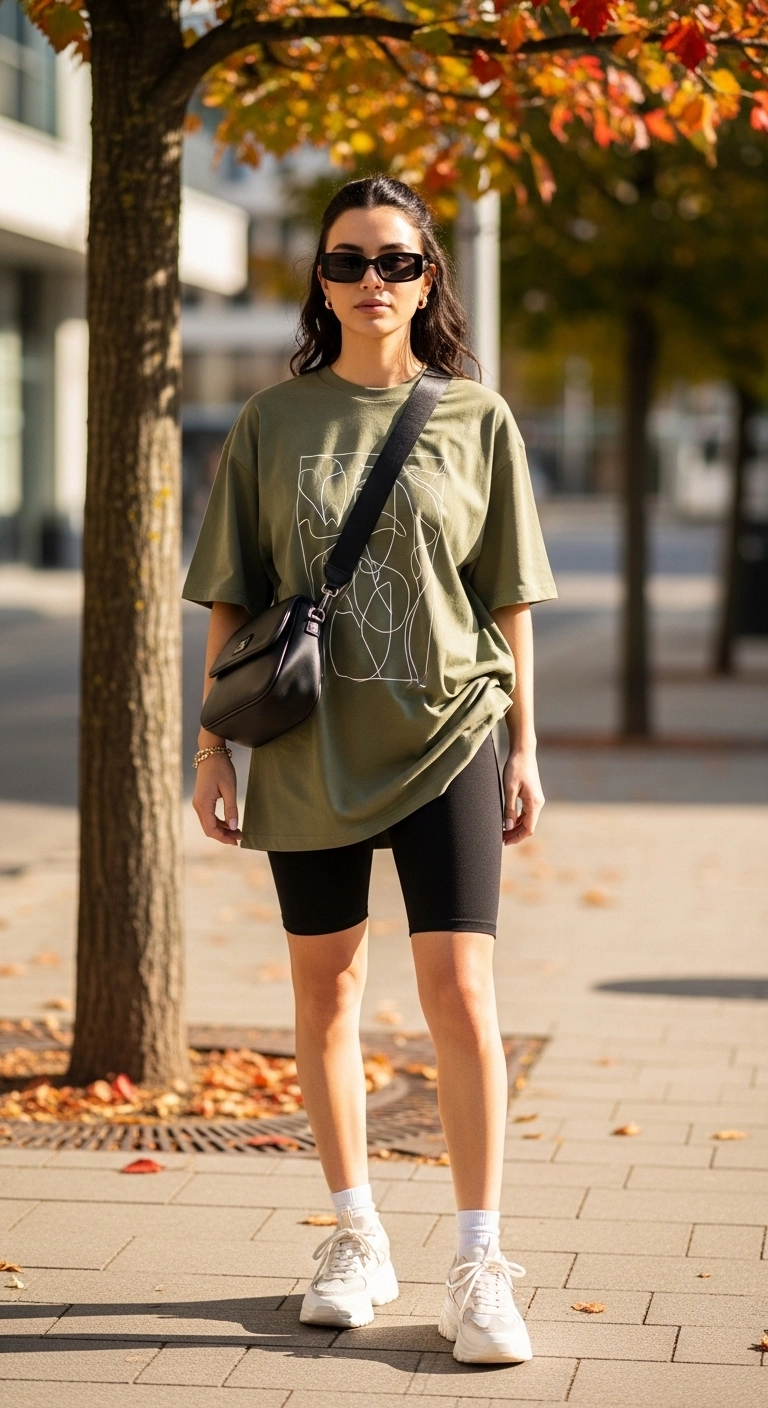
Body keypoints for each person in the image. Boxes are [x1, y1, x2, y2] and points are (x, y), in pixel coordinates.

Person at [183, 175, 556, 1364]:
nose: (372, 281)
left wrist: (525, 745)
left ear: (427, 276)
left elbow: (509, 596)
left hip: (451, 728)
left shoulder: (477, 418)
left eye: (396, 260)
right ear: (322, 280)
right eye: (348, 260)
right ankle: (356, 1235)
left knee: (461, 993)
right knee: (328, 991)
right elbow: (231, 594)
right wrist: (211, 748)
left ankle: (480, 1264)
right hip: (310, 742)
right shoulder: (272, 421)